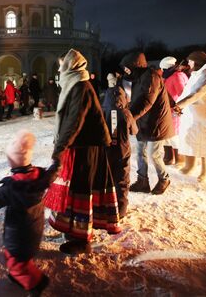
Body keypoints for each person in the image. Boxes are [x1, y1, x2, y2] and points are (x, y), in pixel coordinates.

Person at [43, 49, 120, 255]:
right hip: (79, 145)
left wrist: (60, 148)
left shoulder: (80, 87)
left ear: (70, 66)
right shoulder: (74, 85)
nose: (59, 69)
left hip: (86, 148)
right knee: (72, 188)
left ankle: (81, 238)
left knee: (80, 189)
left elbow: (74, 120)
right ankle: (71, 230)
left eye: (62, 65)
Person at [0, 130, 57, 295]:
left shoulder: (12, 188)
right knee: (17, 257)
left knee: (17, 264)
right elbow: (53, 171)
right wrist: (58, 161)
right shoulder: (39, 178)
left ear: (12, 163)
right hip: (33, 229)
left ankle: (36, 283)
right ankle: (22, 275)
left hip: (19, 234)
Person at [119, 52, 174, 195]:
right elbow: (136, 99)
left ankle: (164, 178)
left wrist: (129, 117)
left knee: (154, 154)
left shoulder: (151, 77)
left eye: (127, 68)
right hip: (144, 121)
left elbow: (146, 101)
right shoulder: (139, 77)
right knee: (140, 152)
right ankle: (143, 181)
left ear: (135, 66)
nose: (126, 71)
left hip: (156, 122)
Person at [174, 51, 206, 182]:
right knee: (190, 139)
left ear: (196, 61)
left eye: (190, 60)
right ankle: (190, 165)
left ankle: (205, 171)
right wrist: (178, 105)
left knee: (205, 142)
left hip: (204, 114)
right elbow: (187, 93)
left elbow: (198, 93)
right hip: (192, 114)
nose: (188, 63)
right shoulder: (196, 74)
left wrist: (179, 105)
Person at [103, 85, 138, 218]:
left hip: (106, 150)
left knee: (107, 179)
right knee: (122, 179)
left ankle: (106, 207)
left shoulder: (103, 111)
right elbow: (134, 131)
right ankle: (121, 209)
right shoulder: (126, 113)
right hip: (122, 150)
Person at [160, 56, 189, 165]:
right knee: (166, 133)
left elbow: (183, 94)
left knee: (175, 135)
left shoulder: (177, 76)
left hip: (175, 110)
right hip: (166, 110)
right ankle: (168, 156)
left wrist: (178, 107)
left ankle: (179, 159)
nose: (162, 71)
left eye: (163, 69)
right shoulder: (168, 76)